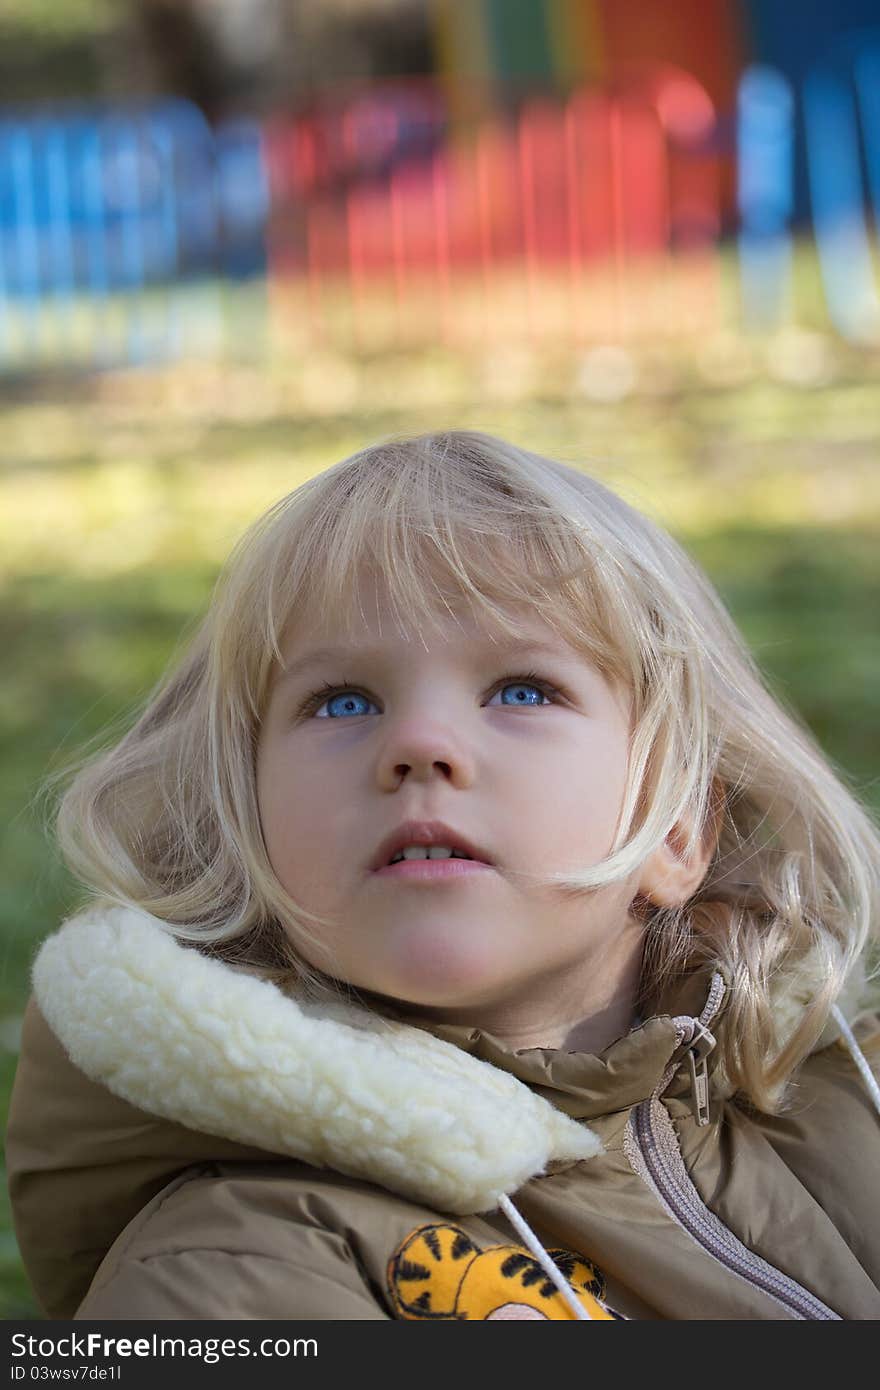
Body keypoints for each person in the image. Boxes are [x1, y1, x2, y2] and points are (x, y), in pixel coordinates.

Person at [7, 429, 880, 1321]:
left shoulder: (849, 1105)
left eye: (521, 690)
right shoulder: (237, 1267)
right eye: (343, 701)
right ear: (248, 825)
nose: (419, 745)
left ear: (680, 826)